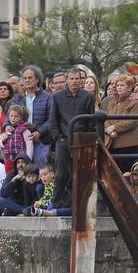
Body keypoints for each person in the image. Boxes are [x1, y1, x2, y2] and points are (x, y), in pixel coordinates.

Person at [47, 66, 96, 203]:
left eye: (77, 79)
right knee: (60, 175)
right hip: (63, 139)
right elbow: (53, 119)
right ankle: (55, 203)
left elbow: (91, 120)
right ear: (67, 80)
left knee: (82, 174)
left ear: (81, 80)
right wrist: (58, 137)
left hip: (81, 140)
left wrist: (88, 138)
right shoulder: (57, 96)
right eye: (71, 79)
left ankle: (82, 203)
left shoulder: (88, 96)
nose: (74, 81)